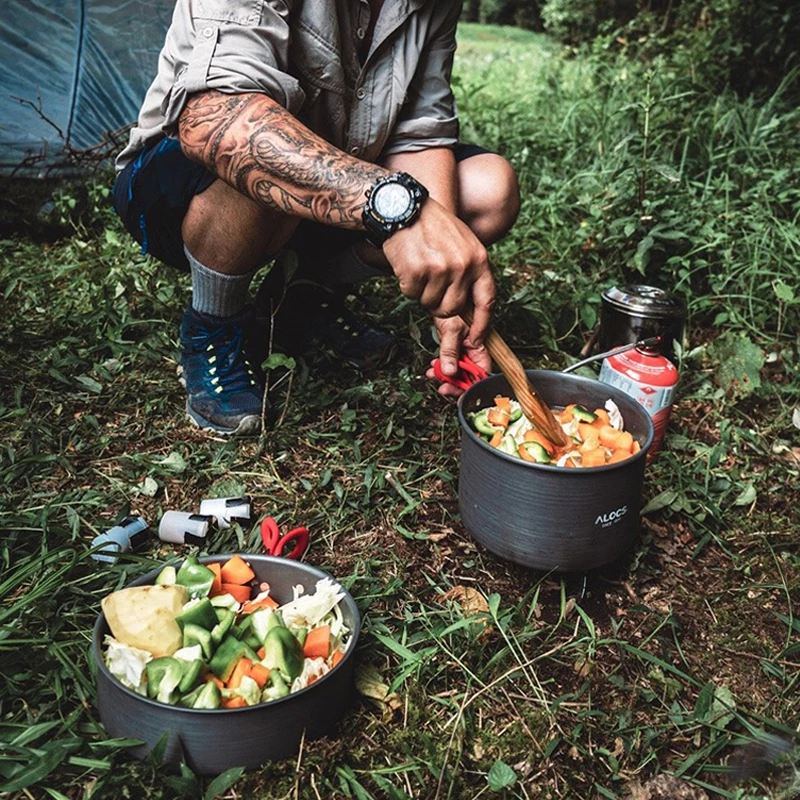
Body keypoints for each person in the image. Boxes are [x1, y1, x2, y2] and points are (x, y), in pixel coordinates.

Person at [112, 0, 520, 435]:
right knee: (258, 146)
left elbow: (420, 130)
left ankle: (301, 297)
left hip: (341, 174)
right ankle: (212, 326)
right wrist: (397, 208)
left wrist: (444, 267)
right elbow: (215, 118)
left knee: (488, 189)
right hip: (181, 180)